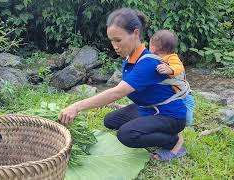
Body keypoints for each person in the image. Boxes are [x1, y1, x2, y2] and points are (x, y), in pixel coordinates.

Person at [58, 8, 187, 161]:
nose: (115, 46)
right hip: (148, 108)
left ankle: (173, 142)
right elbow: (125, 88)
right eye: (111, 41)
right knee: (110, 121)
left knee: (126, 135)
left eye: (118, 40)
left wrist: (76, 107)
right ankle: (153, 130)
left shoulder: (148, 63)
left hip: (170, 115)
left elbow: (117, 92)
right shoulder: (130, 58)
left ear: (136, 34)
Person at [149, 30, 195, 127]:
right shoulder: (153, 58)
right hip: (173, 96)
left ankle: (188, 128)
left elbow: (179, 67)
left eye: (150, 44)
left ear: (154, 47)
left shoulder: (171, 57)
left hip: (184, 96)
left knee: (186, 119)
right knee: (173, 113)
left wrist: (169, 69)